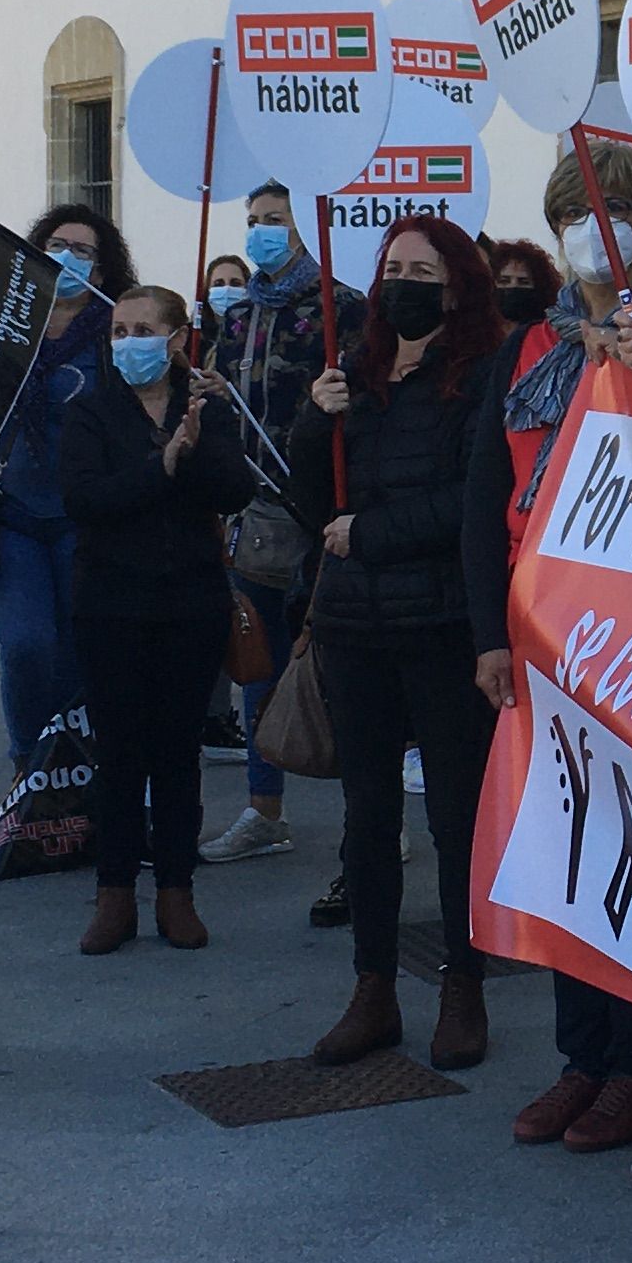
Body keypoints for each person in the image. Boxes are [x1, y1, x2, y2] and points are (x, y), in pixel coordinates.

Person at [290, 215, 516, 1073]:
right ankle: (372, 987)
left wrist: (370, 533)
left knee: (457, 815)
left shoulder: (482, 374)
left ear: (456, 285)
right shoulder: (357, 371)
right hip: (355, 628)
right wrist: (318, 423)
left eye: (420, 269)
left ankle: (464, 982)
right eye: (392, 267)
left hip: (442, 623)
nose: (401, 282)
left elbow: (473, 499)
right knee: (367, 815)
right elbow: (309, 499)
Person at [502, 151, 632, 1158]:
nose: (599, 231)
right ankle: (581, 1056)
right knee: (565, 842)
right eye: (579, 214)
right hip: (543, 625)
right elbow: (488, 481)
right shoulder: (533, 343)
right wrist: (497, 633)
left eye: (617, 210)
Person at [59, 283, 257, 957]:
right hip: (110, 603)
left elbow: (238, 489)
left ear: (176, 339)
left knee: (177, 752)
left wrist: (195, 448)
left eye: (143, 329)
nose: (128, 343)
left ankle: (177, 888)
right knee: (119, 752)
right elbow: (87, 500)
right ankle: (114, 893)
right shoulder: (89, 412)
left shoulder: (208, 408)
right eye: (118, 331)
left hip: (190, 602)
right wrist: (161, 463)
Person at [195, 182, 366, 874]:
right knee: (257, 658)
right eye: (254, 220)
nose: (262, 232)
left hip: (318, 504)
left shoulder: (340, 305)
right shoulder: (239, 316)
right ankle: (265, 810)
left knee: (338, 665)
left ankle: (369, 810)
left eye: (275, 221)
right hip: (253, 505)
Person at [0, 201, 132, 773]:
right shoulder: (5, 328)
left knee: (81, 651)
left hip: (86, 520)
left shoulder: (115, 336)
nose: (66, 258)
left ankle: (73, 771)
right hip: (15, 516)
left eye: (82, 251)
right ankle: (28, 765)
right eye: (55, 245)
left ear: (100, 273)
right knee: (27, 647)